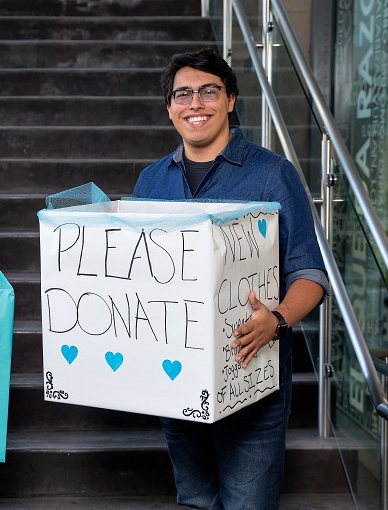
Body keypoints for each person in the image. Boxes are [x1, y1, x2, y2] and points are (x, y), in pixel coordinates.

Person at [133, 48, 330, 509]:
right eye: (183, 94)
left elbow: (310, 275)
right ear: (169, 108)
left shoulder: (272, 175)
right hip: (176, 383)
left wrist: (277, 319)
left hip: (252, 384)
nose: (195, 104)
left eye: (208, 91)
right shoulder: (150, 182)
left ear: (230, 100)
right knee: (196, 500)